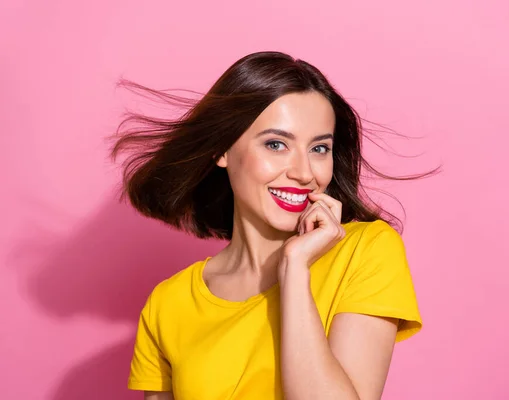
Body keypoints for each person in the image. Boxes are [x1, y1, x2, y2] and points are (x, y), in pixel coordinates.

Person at [111, 51, 424, 400]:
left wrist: (295, 269)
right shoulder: (168, 303)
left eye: (320, 149)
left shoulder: (366, 251)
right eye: (276, 144)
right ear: (222, 149)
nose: (305, 173)